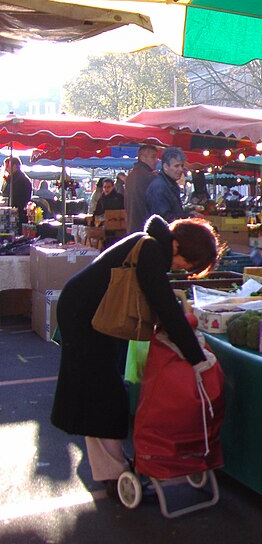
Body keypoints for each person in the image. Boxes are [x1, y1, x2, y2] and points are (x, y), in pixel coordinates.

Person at [50, 215, 222, 502]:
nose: (182, 269)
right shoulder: (152, 250)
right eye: (187, 263)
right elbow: (165, 306)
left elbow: (162, 302)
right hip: (84, 317)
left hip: (97, 316)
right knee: (103, 394)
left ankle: (112, 467)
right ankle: (112, 473)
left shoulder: (152, 245)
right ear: (178, 245)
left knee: (103, 390)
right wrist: (197, 358)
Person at [146, 146, 194, 223]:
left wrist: (188, 214)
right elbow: (165, 218)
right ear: (165, 167)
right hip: (162, 234)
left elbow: (174, 212)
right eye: (176, 166)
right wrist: (190, 217)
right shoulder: (159, 187)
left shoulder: (169, 184)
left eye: (182, 165)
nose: (181, 169)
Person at [125, 144, 159, 233]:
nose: (157, 161)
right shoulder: (148, 177)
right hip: (145, 228)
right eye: (153, 157)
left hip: (132, 227)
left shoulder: (131, 175)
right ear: (142, 158)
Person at [1, 157, 32, 230]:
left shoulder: (20, 180)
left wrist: (5, 203)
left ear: (14, 166)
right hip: (10, 215)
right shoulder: (11, 179)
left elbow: (18, 199)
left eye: (7, 166)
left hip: (16, 216)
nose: (5, 169)